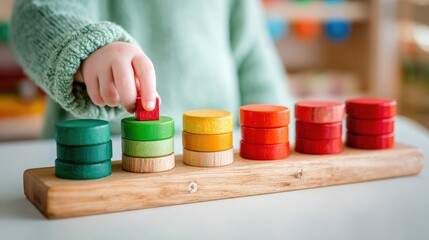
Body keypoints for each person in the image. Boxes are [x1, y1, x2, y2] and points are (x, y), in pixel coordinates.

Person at [10, 0, 291, 137]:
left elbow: (256, 66)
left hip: (220, 154)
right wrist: (89, 49)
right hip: (101, 154)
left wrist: (281, 137)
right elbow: (34, 13)